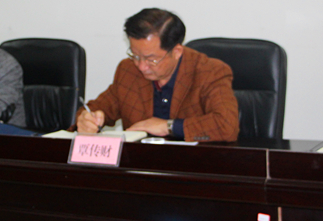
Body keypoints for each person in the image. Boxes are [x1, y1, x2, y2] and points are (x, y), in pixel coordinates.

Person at [76, 8, 239, 142]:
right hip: (140, 165)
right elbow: (97, 108)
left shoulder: (210, 72)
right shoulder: (128, 70)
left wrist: (168, 126)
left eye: (151, 59)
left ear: (177, 51)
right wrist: (87, 119)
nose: (141, 66)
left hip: (192, 164)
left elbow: (227, 126)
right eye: (135, 55)